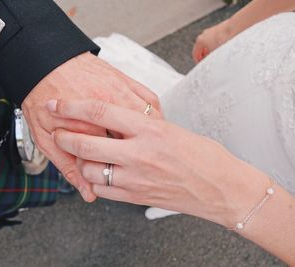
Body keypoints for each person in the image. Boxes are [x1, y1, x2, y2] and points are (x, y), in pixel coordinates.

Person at [0, 0, 159, 252]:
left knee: (33, 147)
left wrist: (41, 58)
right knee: (11, 190)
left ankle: (57, 178)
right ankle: (58, 181)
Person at [48, 0, 295, 265]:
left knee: (164, 171)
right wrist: (230, 29)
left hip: (275, 164)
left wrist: (230, 193)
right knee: (170, 116)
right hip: (264, 58)